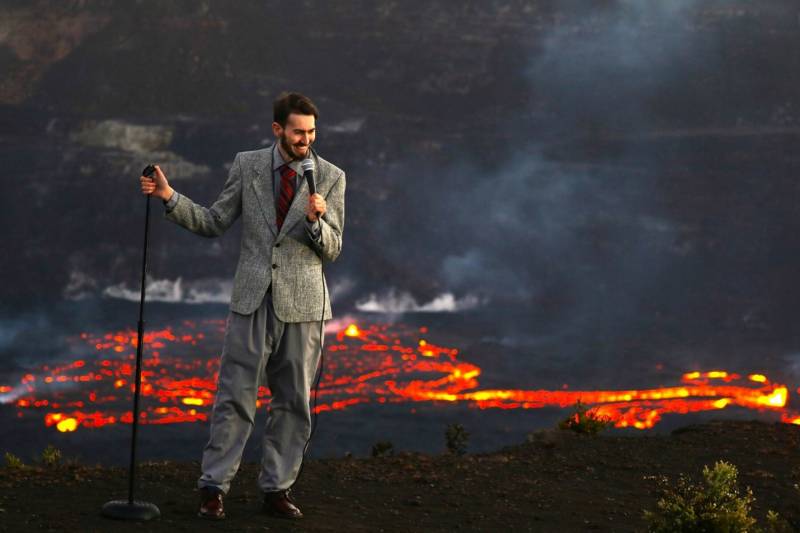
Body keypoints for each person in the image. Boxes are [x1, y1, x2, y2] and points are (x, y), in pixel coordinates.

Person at [139, 92, 345, 520]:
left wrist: (315, 222)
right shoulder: (248, 165)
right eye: (297, 132)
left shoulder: (330, 177)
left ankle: (277, 489)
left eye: (311, 132)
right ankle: (213, 487)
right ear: (278, 130)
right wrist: (169, 196)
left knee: (293, 403)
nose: (305, 140)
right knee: (234, 395)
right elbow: (215, 221)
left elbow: (333, 249)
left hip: (304, 306)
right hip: (252, 300)